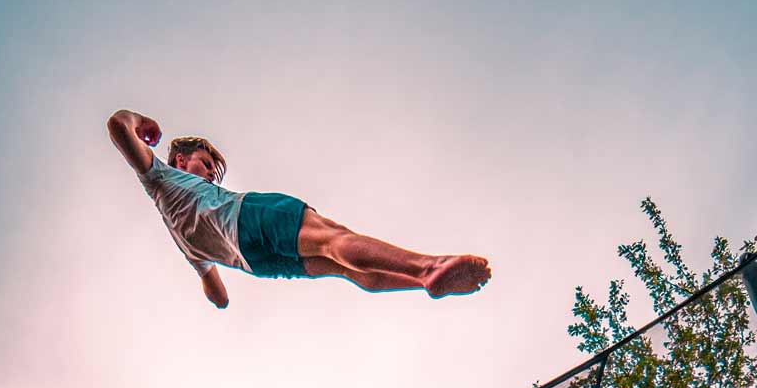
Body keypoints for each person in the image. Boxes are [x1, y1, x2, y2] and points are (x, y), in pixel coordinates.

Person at [107, 109, 491, 309]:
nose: (210, 173)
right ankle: (427, 269)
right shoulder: (160, 175)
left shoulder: (181, 236)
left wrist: (207, 271)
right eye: (204, 164)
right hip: (248, 217)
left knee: (345, 269)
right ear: (177, 159)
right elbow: (118, 124)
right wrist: (144, 122)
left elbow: (219, 297)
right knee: (335, 239)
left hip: (257, 264)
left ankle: (420, 282)